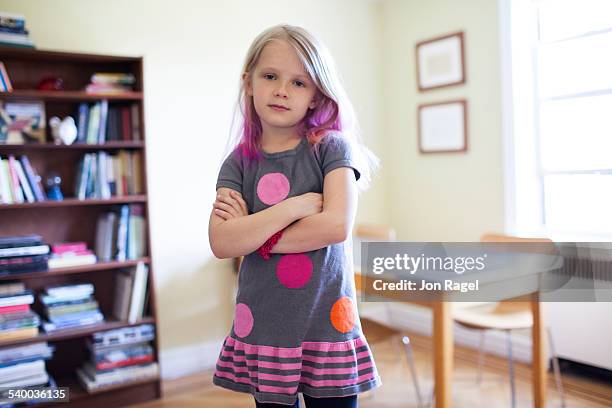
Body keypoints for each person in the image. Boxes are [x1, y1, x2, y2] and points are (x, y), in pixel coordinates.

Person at [208, 24, 381, 408]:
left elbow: (335, 226)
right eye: (270, 76)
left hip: (328, 323)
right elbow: (222, 242)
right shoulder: (237, 164)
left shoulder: (332, 148)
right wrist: (297, 207)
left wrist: (252, 234)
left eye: (299, 82)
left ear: (317, 96)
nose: (282, 89)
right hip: (264, 325)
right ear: (249, 82)